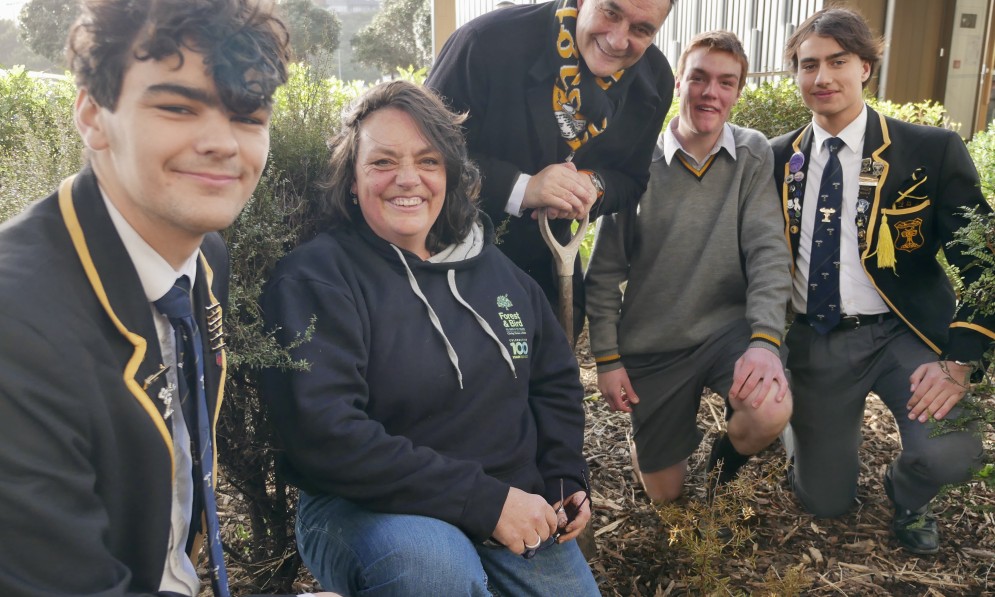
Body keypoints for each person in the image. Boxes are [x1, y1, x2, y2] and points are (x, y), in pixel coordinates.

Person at [0, 1, 339, 596]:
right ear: (92, 114)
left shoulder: (204, 258)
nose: (221, 144)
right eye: (177, 107)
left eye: (248, 116)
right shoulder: (17, 327)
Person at [260, 81, 599, 596]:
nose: (407, 179)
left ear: (450, 174)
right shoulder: (317, 278)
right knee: (432, 569)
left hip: (509, 503)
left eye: (428, 160)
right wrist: (483, 503)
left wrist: (562, 479)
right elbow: (326, 433)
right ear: (352, 179)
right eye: (382, 163)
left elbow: (553, 380)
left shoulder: (495, 271)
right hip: (369, 508)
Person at [772, 7, 994, 555]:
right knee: (824, 500)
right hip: (816, 338)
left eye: (838, 62)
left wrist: (961, 361)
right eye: (808, 65)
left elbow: (986, 264)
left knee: (951, 451)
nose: (821, 78)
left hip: (905, 335)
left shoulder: (930, 150)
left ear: (866, 67)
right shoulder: (776, 158)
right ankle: (801, 433)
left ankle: (909, 495)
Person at [585, 31, 793, 505]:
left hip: (726, 331)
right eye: (698, 77)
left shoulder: (753, 154)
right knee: (666, 500)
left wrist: (765, 341)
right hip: (654, 344)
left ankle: (726, 459)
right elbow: (603, 274)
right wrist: (608, 359)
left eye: (726, 82)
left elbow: (768, 252)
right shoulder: (637, 164)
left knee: (769, 413)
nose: (710, 92)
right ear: (679, 82)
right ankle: (663, 441)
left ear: (739, 91)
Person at [426, 0, 676, 332]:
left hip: (550, 275)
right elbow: (424, 154)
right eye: (611, 12)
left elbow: (630, 177)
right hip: (452, 267)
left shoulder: (655, 82)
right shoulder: (485, 42)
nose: (618, 40)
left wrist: (590, 186)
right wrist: (523, 188)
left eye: (642, 29)